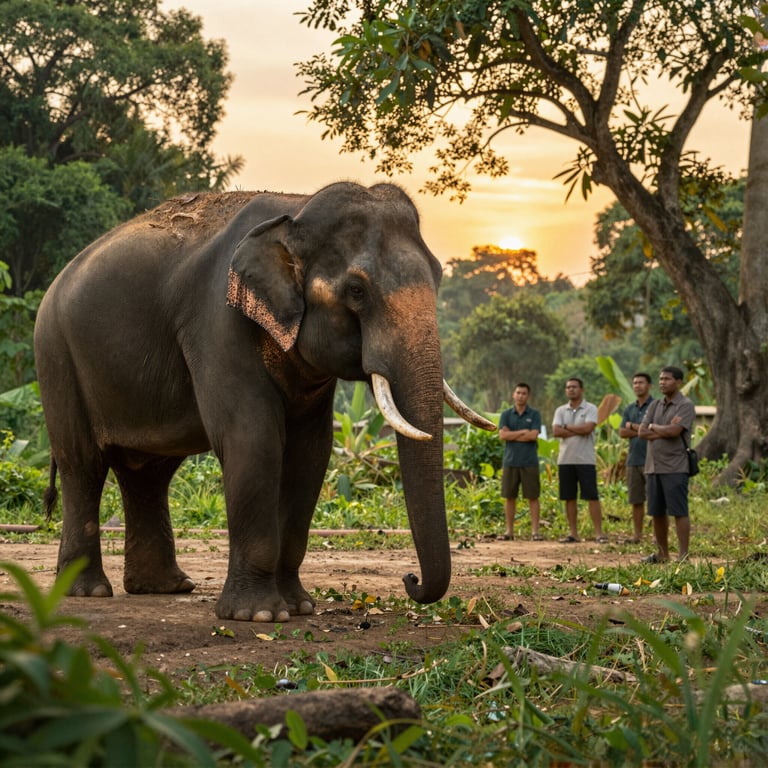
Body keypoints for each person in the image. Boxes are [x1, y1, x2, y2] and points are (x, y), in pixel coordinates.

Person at [638, 366, 695, 563]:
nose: (662, 382)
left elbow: (675, 431)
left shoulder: (685, 405)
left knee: (679, 511)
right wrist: (660, 429)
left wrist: (655, 427)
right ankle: (662, 554)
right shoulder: (655, 405)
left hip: (675, 467)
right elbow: (642, 432)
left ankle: (683, 556)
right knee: (656, 512)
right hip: (653, 467)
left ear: (678, 382)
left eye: (667, 379)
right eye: (661, 379)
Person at [552, 377, 606, 543]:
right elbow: (556, 431)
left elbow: (588, 428)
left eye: (574, 387)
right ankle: (573, 533)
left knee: (592, 496)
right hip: (565, 460)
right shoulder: (560, 410)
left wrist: (566, 427)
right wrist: (577, 430)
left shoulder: (590, 408)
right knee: (569, 497)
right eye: (568, 387)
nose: (571, 390)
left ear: (582, 389)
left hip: (586, 460)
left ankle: (599, 533)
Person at [498, 383, 542, 541]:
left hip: (529, 461)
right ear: (513, 395)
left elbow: (533, 436)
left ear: (528, 396)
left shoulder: (535, 414)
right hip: (510, 461)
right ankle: (509, 532)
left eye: (524, 393)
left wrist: (513, 434)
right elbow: (503, 436)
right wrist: (524, 432)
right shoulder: (506, 414)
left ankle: (535, 532)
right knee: (509, 497)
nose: (521, 395)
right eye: (518, 392)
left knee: (533, 497)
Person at [618, 373, 654, 543]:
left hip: (652, 460)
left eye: (641, 382)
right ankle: (637, 535)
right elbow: (622, 432)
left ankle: (657, 536)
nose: (637, 385)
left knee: (655, 500)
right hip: (633, 460)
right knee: (636, 500)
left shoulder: (656, 406)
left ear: (649, 386)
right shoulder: (629, 409)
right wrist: (641, 430)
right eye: (635, 383)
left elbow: (654, 430)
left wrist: (632, 426)